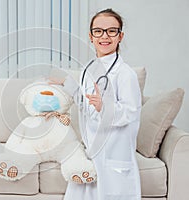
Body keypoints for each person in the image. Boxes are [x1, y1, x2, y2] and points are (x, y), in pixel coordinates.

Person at [49, 8, 141, 200]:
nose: (104, 36)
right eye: (98, 31)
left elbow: (130, 113)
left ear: (120, 36)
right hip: (91, 153)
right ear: (91, 37)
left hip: (114, 155)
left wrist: (104, 108)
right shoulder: (89, 68)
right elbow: (86, 106)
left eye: (111, 31)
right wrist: (68, 85)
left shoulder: (125, 74)